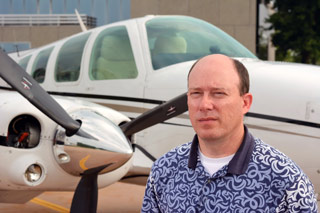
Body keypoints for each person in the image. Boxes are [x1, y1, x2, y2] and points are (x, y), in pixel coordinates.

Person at [141, 54, 318, 212]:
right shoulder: (163, 170)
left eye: (218, 93)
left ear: (245, 103)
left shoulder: (286, 180)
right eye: (196, 93)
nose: (204, 105)